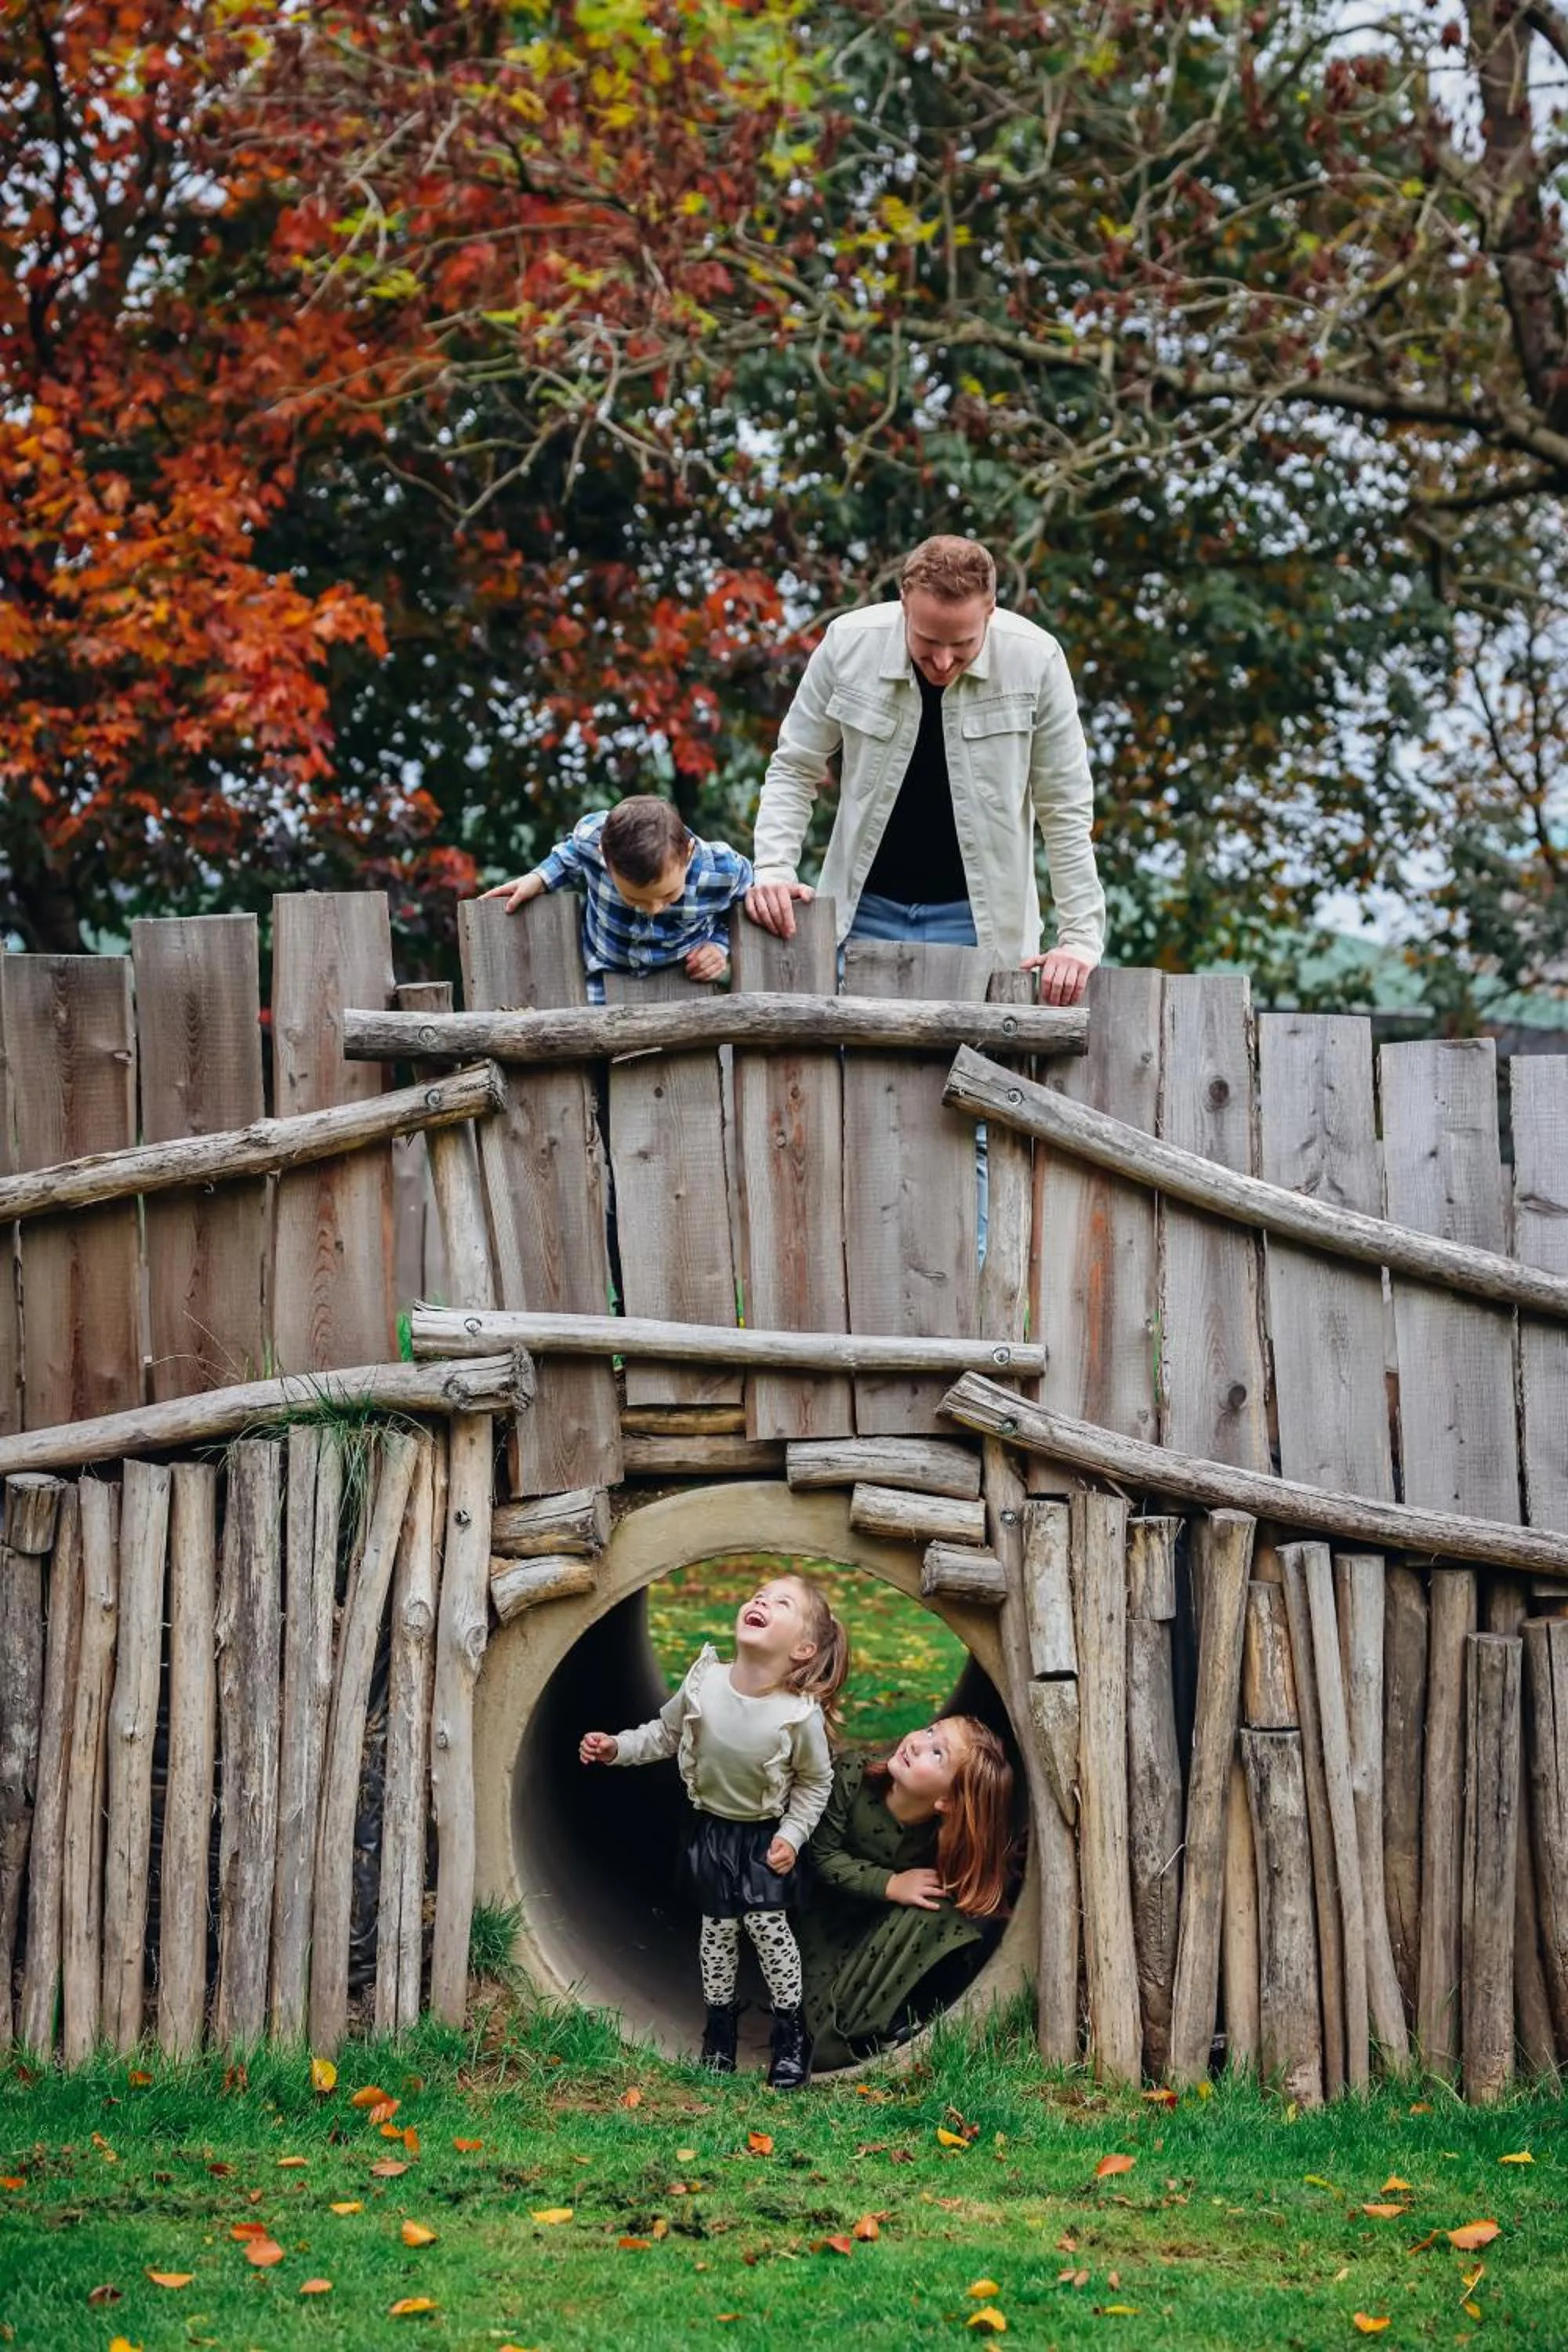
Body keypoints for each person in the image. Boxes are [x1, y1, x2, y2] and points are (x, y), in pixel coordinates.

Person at [745, 536, 1105, 1006]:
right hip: (858, 914)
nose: (942, 661)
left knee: (973, 1075)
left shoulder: (1037, 661)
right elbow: (795, 767)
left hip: (981, 924)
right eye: (928, 641)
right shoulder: (848, 643)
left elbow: (1065, 810)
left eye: (962, 644)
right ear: (904, 604)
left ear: (990, 611)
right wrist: (773, 868)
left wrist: (1078, 940)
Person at [579, 1573, 849, 2091]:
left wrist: (791, 1836)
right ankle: (719, 2034)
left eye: (782, 1603)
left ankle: (790, 2038)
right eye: (759, 1595)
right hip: (712, 1834)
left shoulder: (798, 1717)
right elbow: (666, 1734)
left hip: (762, 1839)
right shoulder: (705, 1683)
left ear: (803, 1648)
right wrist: (616, 1748)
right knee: (717, 1937)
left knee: (772, 1938)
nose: (761, 1601)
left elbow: (817, 1783)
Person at [796, 1715, 1014, 2071]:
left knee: (940, 1906)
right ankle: (856, 2031)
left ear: (948, 1801)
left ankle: (912, 2013)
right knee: (820, 2018)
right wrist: (891, 1884)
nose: (917, 1742)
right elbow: (820, 1856)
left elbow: (968, 1882)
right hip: (823, 1929)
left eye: (937, 1753)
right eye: (929, 1731)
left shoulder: (937, 1833)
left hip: (880, 1936)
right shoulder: (853, 1775)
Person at [484, 796, 752, 998]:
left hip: (681, 981)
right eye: (635, 899)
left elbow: (747, 902)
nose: (654, 909)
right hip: (603, 973)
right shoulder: (591, 840)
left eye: (669, 895)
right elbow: (570, 855)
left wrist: (719, 945)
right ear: (604, 857)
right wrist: (539, 878)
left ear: (689, 853)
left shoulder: (722, 870)